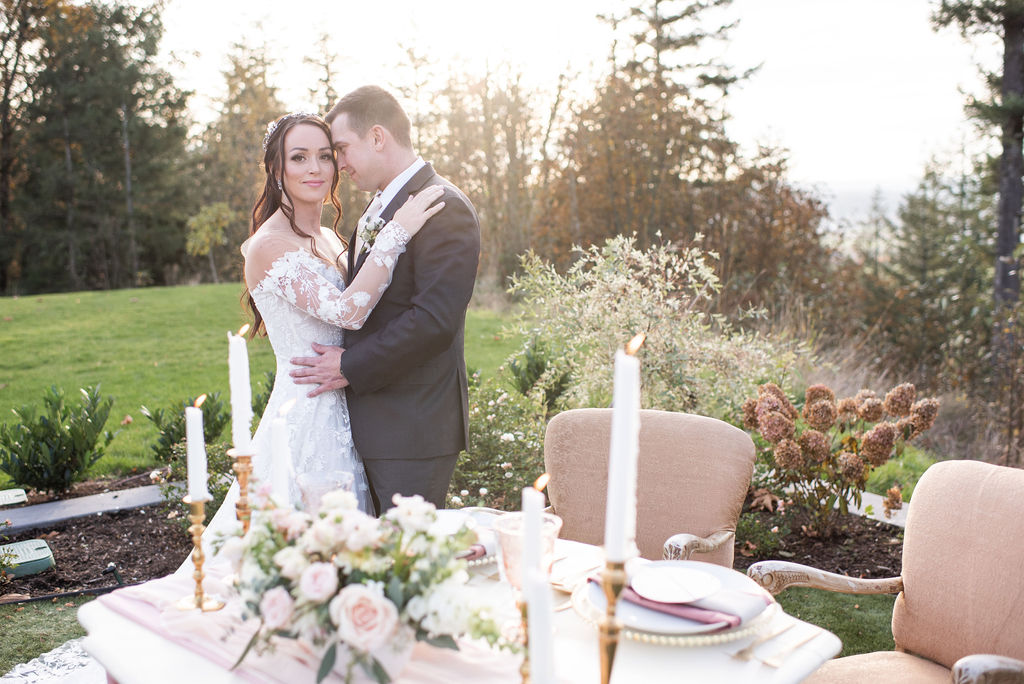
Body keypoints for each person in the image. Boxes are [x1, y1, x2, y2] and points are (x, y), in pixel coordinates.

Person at [196, 112, 444, 555]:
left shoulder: (331, 237)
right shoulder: (269, 245)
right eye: (299, 157)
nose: (314, 168)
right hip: (305, 414)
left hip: (352, 405)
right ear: (277, 170)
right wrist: (397, 233)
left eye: (325, 156)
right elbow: (348, 313)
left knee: (349, 551)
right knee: (301, 550)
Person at [290, 86, 481, 514]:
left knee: (406, 563)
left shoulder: (443, 207)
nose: (337, 164)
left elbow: (433, 322)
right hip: (372, 422)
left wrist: (347, 366)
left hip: (410, 429)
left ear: (377, 137)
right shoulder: (380, 205)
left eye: (341, 149)